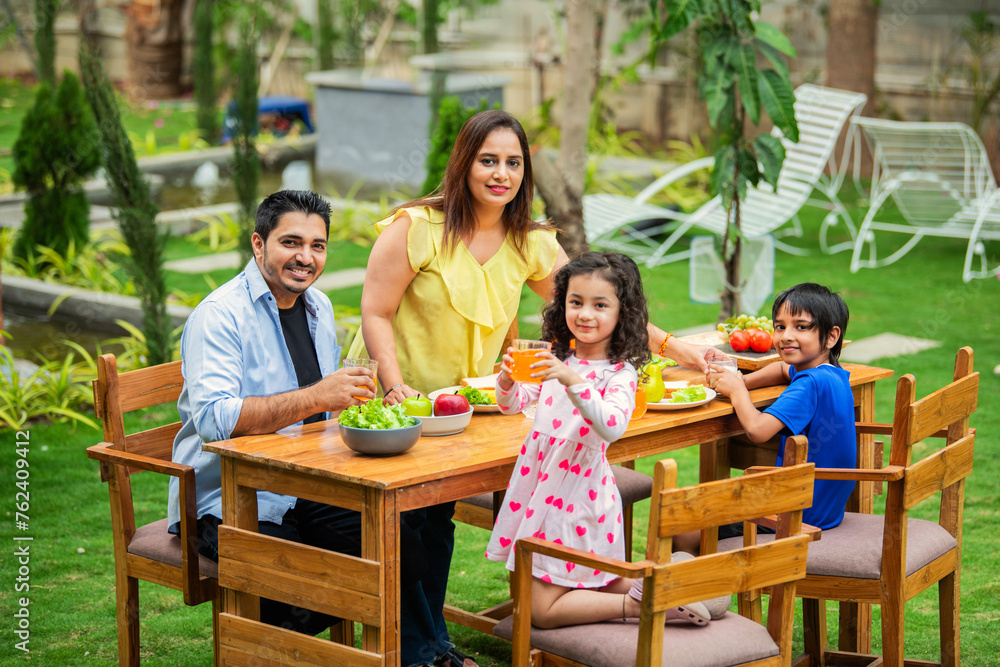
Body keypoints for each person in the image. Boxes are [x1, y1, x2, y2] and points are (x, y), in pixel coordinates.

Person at [349, 110, 723, 665]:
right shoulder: (417, 227)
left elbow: (602, 300)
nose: (501, 173)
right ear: (464, 162)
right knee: (409, 518)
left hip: (461, 404)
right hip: (397, 396)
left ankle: (428, 648)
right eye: (488, 160)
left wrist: (678, 348)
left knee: (434, 517)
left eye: (513, 162)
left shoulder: (529, 240)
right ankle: (421, 650)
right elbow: (375, 312)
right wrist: (396, 385)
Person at [168, 190, 421, 637]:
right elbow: (213, 420)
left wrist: (367, 412)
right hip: (232, 500)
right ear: (258, 244)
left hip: (308, 484)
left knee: (404, 542)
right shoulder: (219, 316)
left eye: (317, 246)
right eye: (291, 243)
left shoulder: (318, 308)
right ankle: (262, 642)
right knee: (309, 586)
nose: (305, 257)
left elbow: (324, 412)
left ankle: (404, 647)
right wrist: (317, 397)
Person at [484, 252, 718, 628]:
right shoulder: (558, 359)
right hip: (541, 490)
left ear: (622, 314)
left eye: (600, 304)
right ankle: (672, 587)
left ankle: (647, 605)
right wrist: (508, 381)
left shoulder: (619, 374)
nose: (585, 314)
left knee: (539, 612)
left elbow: (610, 425)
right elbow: (512, 405)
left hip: (577, 499)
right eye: (575, 302)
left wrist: (570, 379)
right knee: (583, 584)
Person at [686, 282, 856, 552]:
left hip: (792, 512)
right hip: (823, 506)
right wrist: (742, 379)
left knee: (685, 528)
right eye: (780, 326)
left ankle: (703, 589)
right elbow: (781, 368)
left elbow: (757, 430)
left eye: (801, 327)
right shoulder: (831, 373)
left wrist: (737, 390)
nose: (786, 336)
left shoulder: (808, 384)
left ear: (831, 337)